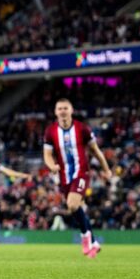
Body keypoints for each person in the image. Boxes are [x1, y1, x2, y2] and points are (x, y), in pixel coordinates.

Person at [43, 98, 112, 258]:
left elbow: (95, 151)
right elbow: (46, 155)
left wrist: (106, 169)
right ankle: (94, 242)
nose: (62, 111)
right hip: (64, 176)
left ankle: (85, 237)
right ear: (55, 112)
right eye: (59, 108)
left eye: (65, 108)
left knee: (72, 205)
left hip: (81, 172)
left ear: (71, 110)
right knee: (75, 208)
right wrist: (51, 166)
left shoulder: (82, 129)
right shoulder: (50, 131)